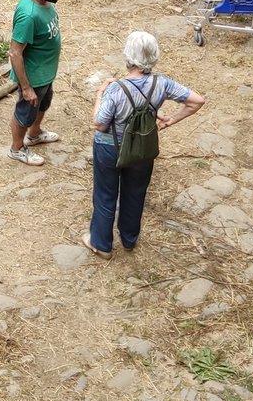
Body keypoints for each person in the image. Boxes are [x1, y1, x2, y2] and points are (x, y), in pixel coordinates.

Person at [85, 31, 204, 259]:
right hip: (142, 148)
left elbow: (99, 124)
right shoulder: (162, 84)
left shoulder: (116, 89)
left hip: (110, 148)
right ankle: (129, 240)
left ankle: (101, 244)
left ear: (128, 57)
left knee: (105, 194)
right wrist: (172, 119)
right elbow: (197, 101)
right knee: (135, 193)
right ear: (155, 56)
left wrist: (100, 94)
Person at [6, 0, 66, 166]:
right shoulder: (28, 15)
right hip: (34, 76)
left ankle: (35, 134)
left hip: (46, 72)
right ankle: (17, 148)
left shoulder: (43, 1)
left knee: (44, 103)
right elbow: (15, 52)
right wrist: (26, 87)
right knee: (25, 113)